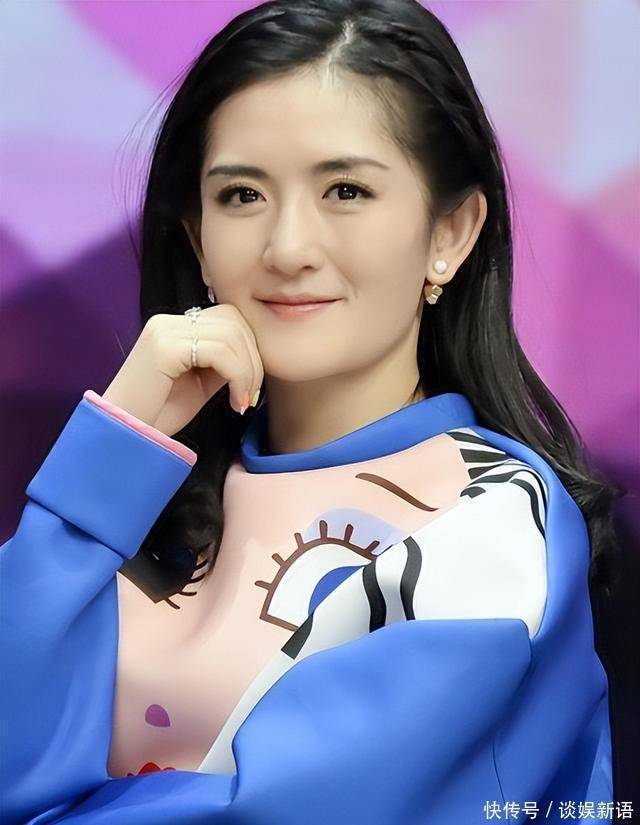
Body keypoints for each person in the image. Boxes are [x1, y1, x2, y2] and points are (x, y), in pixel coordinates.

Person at [0, 0, 625, 822]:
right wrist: (113, 447)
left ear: (451, 232)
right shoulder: (145, 491)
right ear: (197, 237)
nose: (288, 247)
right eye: (241, 195)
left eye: (345, 189)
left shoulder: (493, 519)